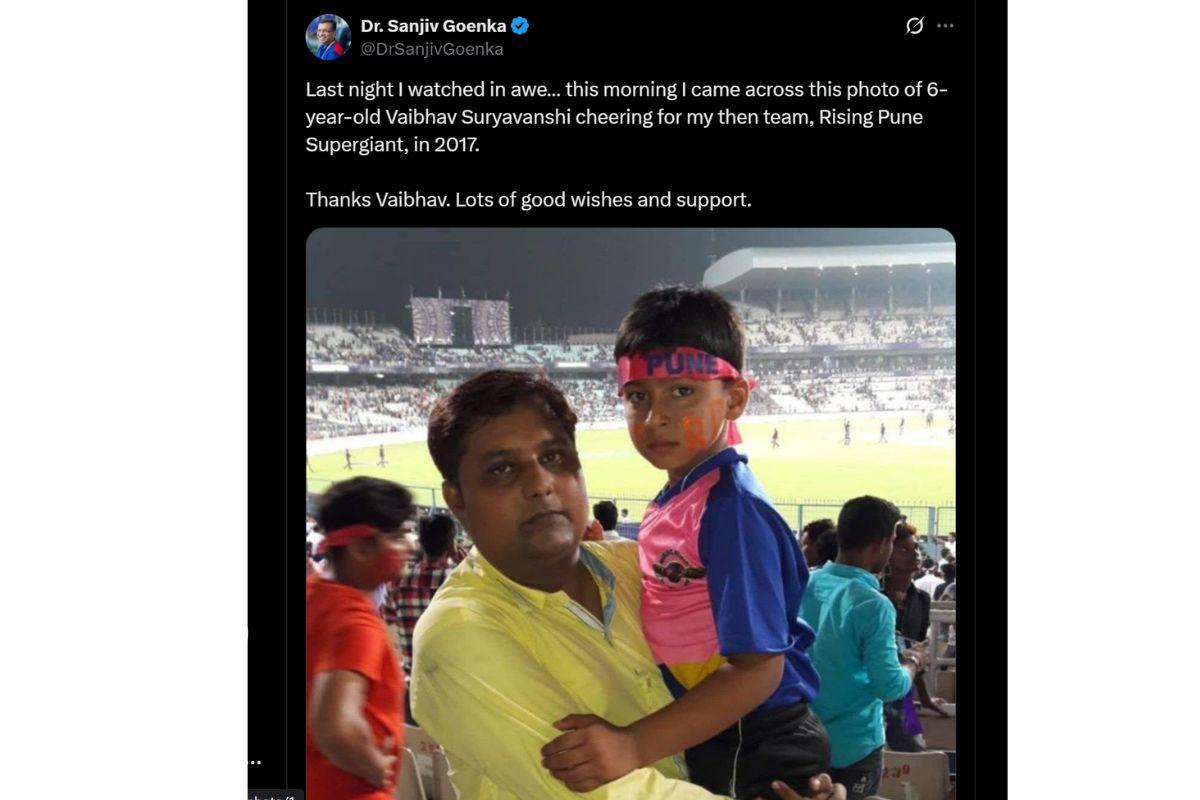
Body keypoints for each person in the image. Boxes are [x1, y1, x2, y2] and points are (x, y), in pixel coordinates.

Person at [411, 370, 842, 800]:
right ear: (457, 500)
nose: (540, 484)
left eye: (555, 458)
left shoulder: (637, 567)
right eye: (502, 469)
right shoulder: (457, 635)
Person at [544, 286, 829, 799]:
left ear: (735, 397)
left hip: (755, 734)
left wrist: (630, 746)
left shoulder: (730, 509)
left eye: (682, 392)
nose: (655, 417)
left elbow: (759, 671)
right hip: (722, 724)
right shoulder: (679, 494)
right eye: (638, 397)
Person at [800, 497, 928, 800]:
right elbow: (889, 686)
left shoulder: (804, 582)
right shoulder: (873, 604)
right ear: (882, 543)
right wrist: (913, 661)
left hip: (801, 738)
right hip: (853, 747)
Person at [307, 477, 413, 800]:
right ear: (359, 548)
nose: (410, 545)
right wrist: (373, 769)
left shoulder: (314, 596)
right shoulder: (355, 620)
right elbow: (335, 726)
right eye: (396, 537)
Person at [882, 520, 930, 753]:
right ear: (888, 554)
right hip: (876, 692)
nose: (915, 554)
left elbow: (918, 652)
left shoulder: (921, 600)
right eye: (904, 549)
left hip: (904, 695)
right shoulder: (874, 596)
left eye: (916, 548)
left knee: (915, 750)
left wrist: (927, 698)